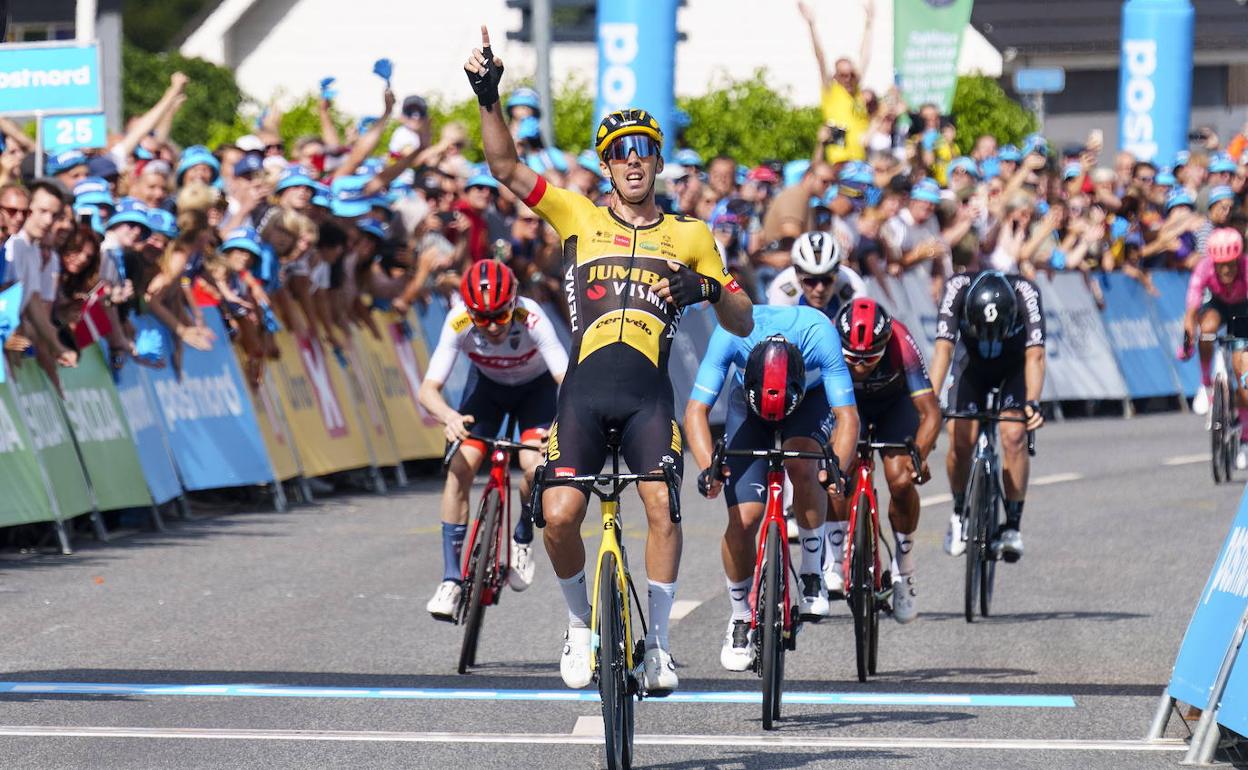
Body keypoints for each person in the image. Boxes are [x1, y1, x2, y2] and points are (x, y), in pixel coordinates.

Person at [464, 25, 753, 695]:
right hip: (586, 389)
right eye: (620, 153)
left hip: (649, 392)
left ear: (656, 162)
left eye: (643, 152)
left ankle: (659, 646)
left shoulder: (691, 235)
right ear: (606, 164)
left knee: (660, 504)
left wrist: (708, 287)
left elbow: (741, 318)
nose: (632, 162)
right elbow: (505, 170)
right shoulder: (577, 214)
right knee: (560, 515)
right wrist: (488, 98)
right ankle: (575, 625)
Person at [684, 311, 857, 671]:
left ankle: (812, 574)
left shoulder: (820, 336)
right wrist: (707, 468)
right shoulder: (731, 333)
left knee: (803, 464)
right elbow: (695, 411)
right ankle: (739, 616)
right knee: (745, 518)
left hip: (807, 400)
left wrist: (836, 467)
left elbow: (848, 417)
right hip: (747, 406)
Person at [418, 260, 569, 618]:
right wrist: (449, 417)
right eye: (480, 318)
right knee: (460, 466)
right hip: (487, 389)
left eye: (499, 317)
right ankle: (451, 580)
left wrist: (562, 426)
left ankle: (522, 534)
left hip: (537, 393)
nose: (490, 327)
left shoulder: (531, 317)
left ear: (513, 304)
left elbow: (567, 379)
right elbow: (428, 390)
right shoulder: (458, 320)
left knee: (533, 467)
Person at [831, 298, 940, 622]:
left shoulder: (901, 342)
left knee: (901, 479)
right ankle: (835, 558)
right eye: (852, 357)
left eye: (869, 358)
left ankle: (904, 570)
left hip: (895, 406)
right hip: (849, 407)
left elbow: (931, 413)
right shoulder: (830, 341)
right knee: (836, 471)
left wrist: (917, 457)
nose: (861, 365)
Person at [929, 270, 1046, 562]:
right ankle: (959, 513)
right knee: (960, 438)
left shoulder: (1026, 294)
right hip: (971, 365)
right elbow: (943, 350)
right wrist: (929, 402)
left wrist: (1032, 402)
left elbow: (1035, 356)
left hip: (1013, 366)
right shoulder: (956, 288)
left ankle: (1013, 527)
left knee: (1014, 434)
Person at [1184, 228, 1248, 460]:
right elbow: (1191, 309)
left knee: (1242, 370)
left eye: (1231, 264)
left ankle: (1245, 439)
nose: (1227, 269)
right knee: (1207, 329)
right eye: (1221, 265)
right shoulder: (1204, 268)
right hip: (1218, 305)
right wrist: (1186, 343)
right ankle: (1206, 383)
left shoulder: (1246, 268)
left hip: (1242, 311)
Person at [765, 231, 867, 318]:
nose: (820, 289)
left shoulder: (853, 284)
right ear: (797, 276)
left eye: (827, 280)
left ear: (837, 274)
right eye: (810, 281)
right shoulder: (782, 287)